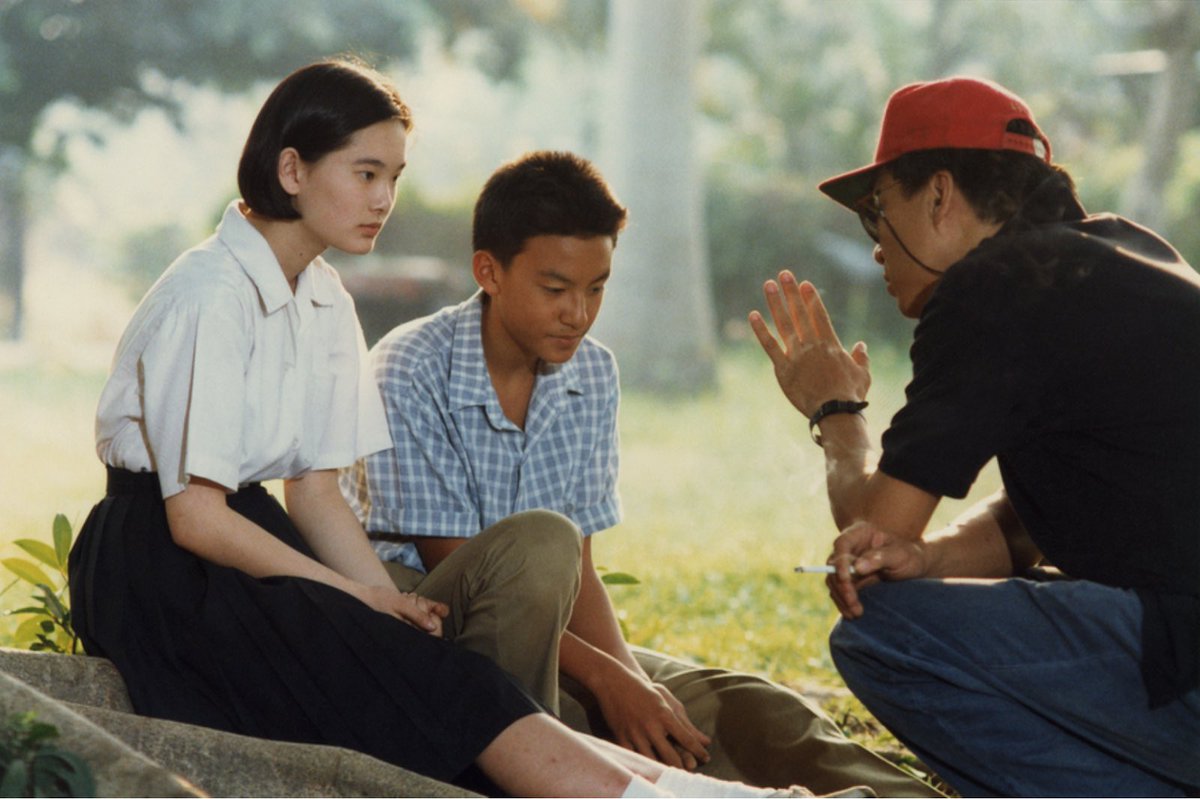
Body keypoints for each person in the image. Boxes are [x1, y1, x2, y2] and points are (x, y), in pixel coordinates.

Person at [65, 56, 821, 799]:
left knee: (434, 669)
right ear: (291, 169)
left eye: (394, 177)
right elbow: (195, 517)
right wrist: (355, 598)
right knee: (427, 693)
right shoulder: (211, 293)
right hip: (159, 564)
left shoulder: (324, 299)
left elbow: (316, 492)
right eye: (366, 173)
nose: (384, 199)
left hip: (256, 537)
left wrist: (385, 607)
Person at [342, 149, 940, 797]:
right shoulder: (411, 367)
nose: (578, 312)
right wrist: (607, 680)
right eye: (555, 290)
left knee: (752, 710)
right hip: (430, 646)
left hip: (548, 646)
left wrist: (637, 684)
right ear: (489, 271)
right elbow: (476, 571)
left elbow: (579, 570)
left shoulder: (591, 371)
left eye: (596, 288)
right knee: (543, 547)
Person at [749, 75, 1200, 796]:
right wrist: (928, 558)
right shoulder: (1120, 255)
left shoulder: (993, 286)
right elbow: (1036, 521)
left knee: (883, 635)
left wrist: (835, 410)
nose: (876, 248)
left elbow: (872, 525)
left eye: (876, 211)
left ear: (939, 195)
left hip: (1181, 646)